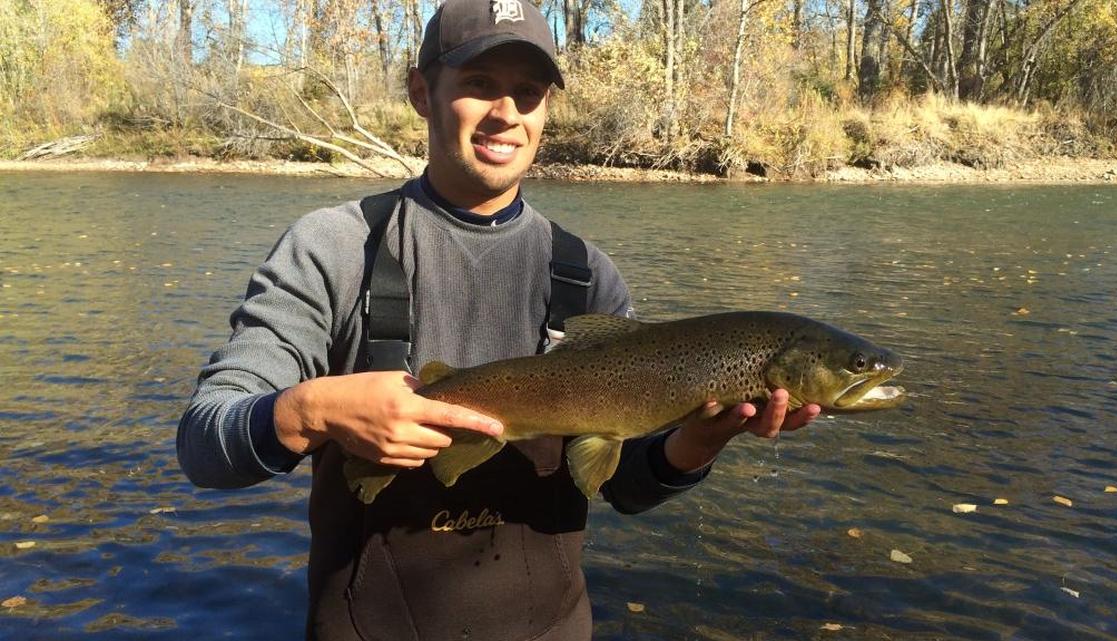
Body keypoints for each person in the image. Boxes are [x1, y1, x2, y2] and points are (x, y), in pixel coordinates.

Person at [177, 0, 820, 638]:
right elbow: (206, 446)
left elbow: (622, 483)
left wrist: (697, 445)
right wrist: (307, 412)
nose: (506, 113)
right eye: (479, 85)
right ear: (422, 93)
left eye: (528, 91)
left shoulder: (587, 275)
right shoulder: (335, 249)